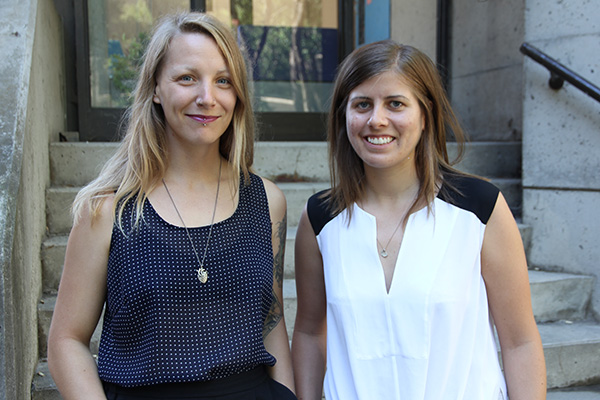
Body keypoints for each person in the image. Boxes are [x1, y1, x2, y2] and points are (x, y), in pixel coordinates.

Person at [48, 12, 296, 400]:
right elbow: (66, 340)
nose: (207, 97)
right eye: (187, 78)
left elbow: (270, 320)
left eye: (223, 81)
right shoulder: (108, 210)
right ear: (155, 89)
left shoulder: (267, 201)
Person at [291, 40, 546, 400]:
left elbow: (520, 341)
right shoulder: (321, 218)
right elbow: (308, 333)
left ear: (425, 115)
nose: (376, 120)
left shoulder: (479, 209)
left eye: (395, 103)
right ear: (343, 115)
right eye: (362, 104)